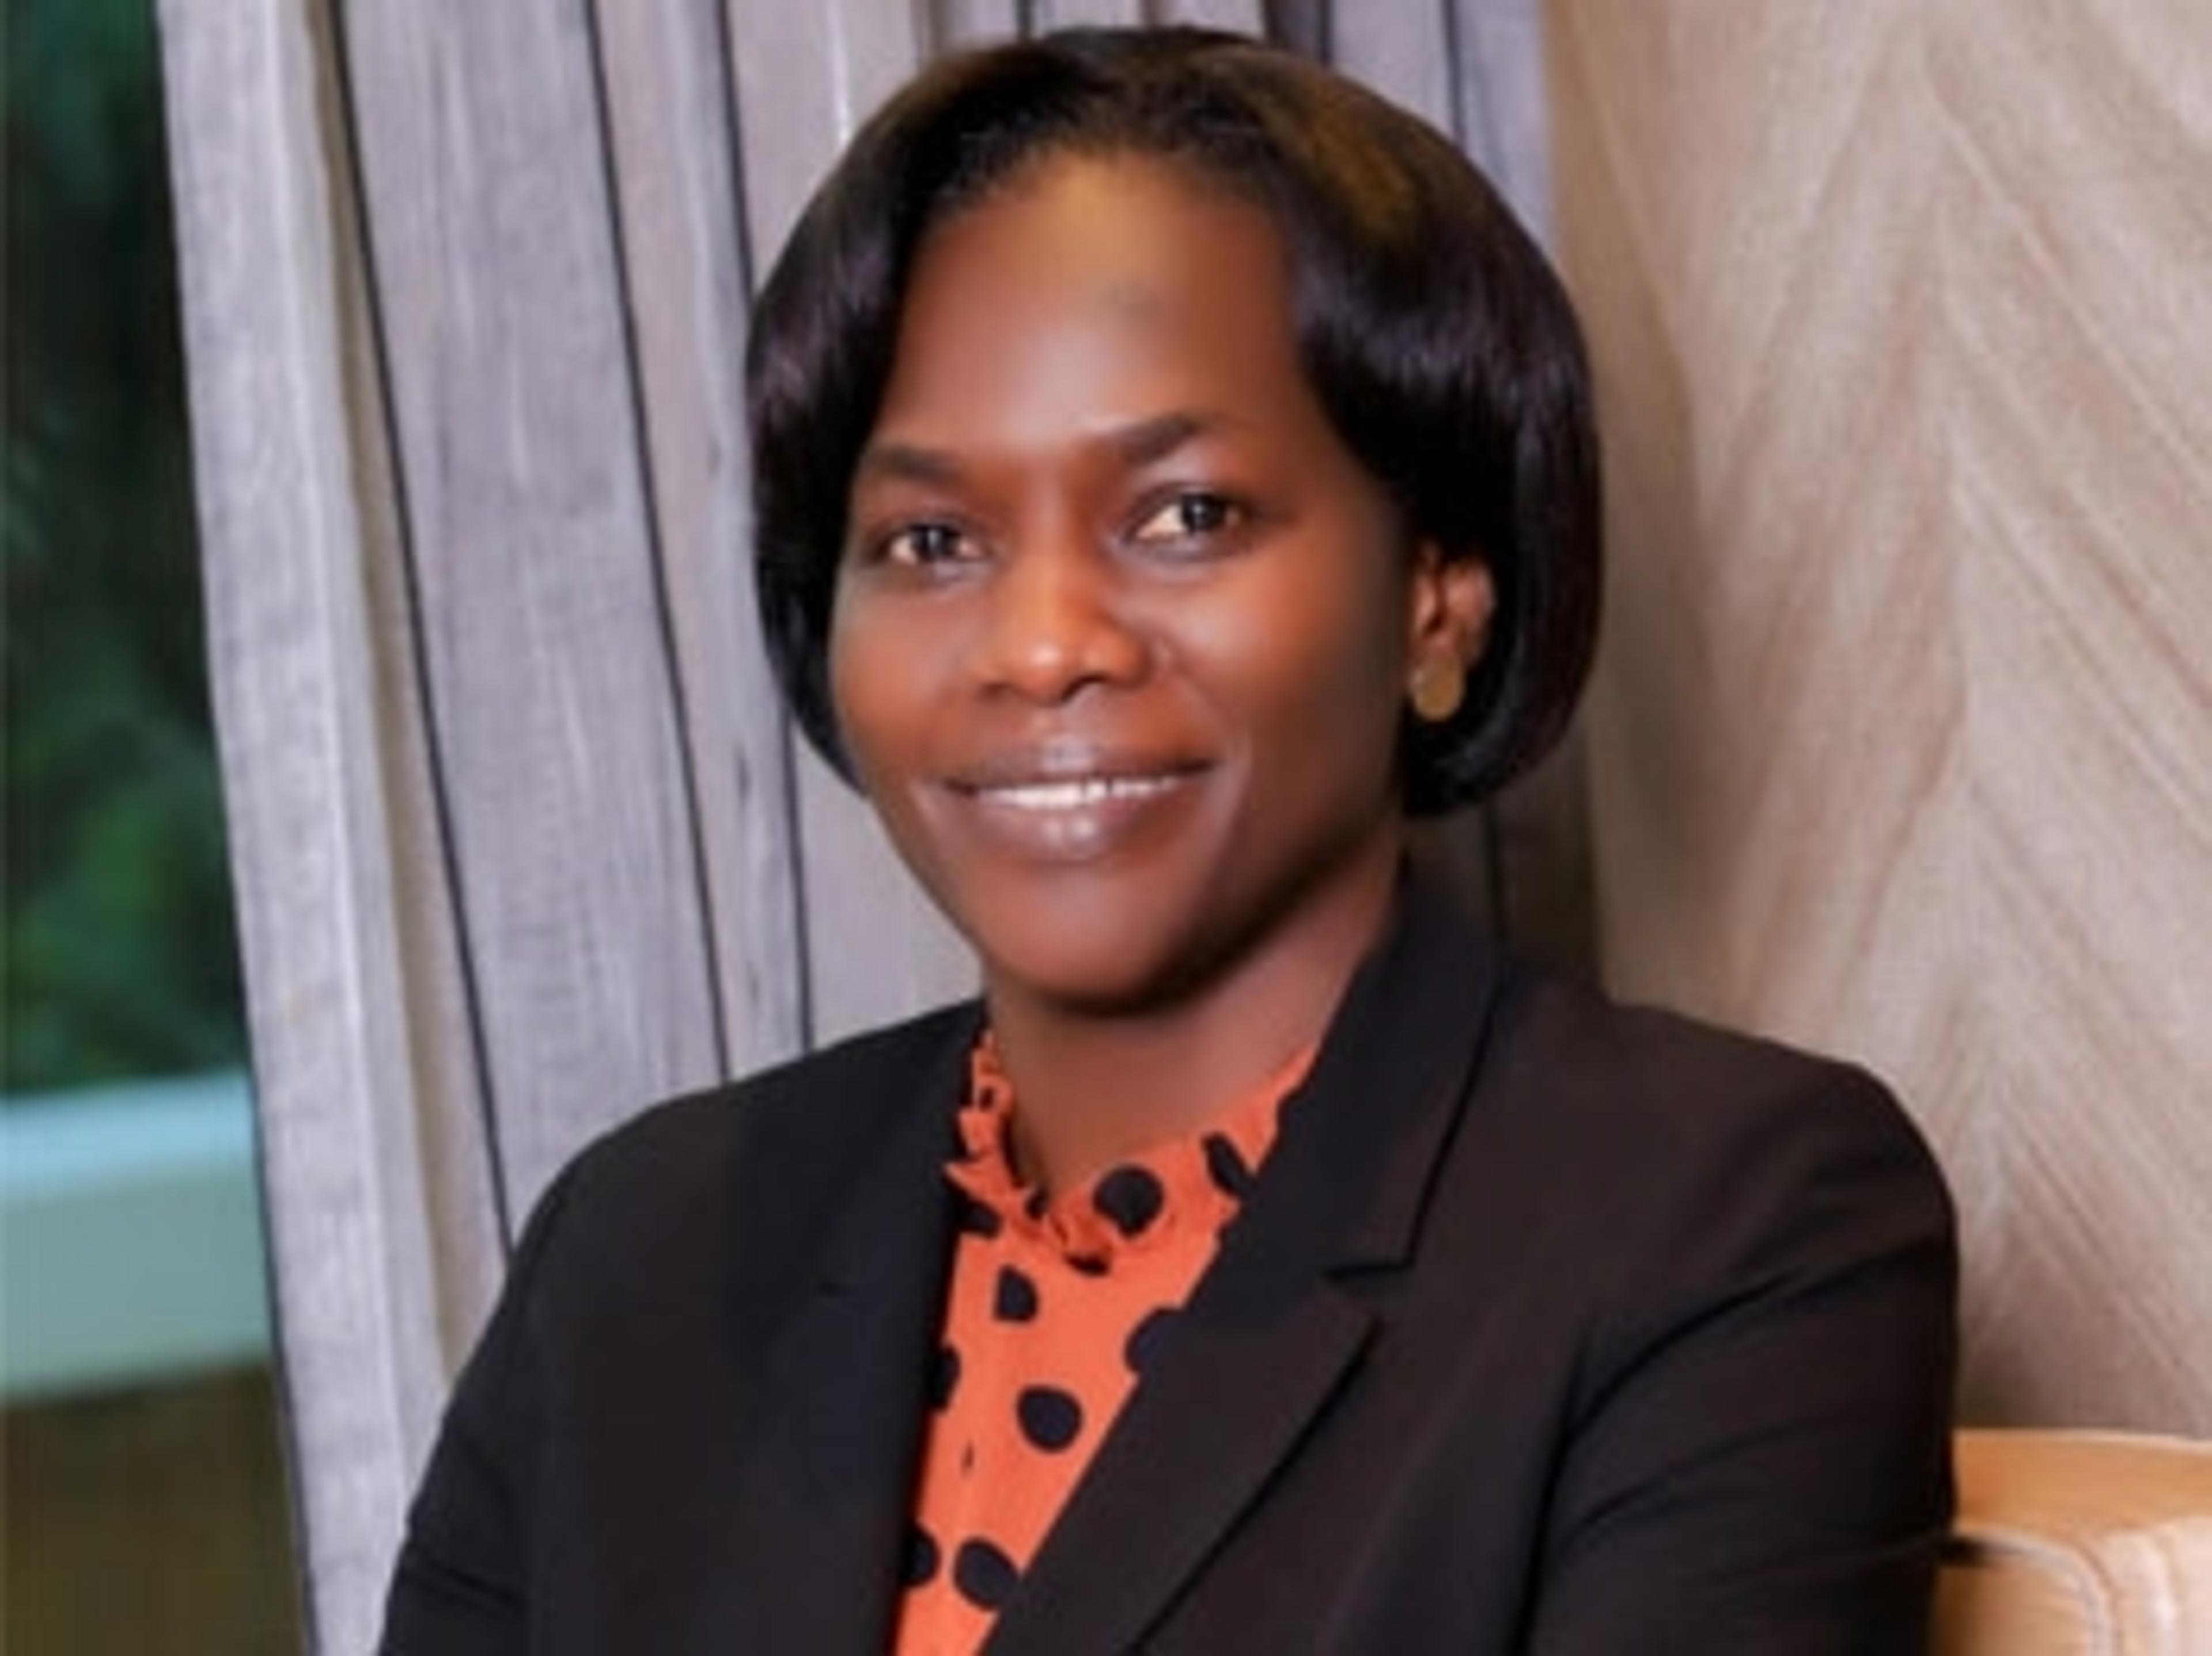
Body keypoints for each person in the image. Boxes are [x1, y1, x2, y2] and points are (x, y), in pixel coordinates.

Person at [381, 26, 1956, 1654]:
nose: (1041, 643)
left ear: (1438, 592)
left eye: (1186, 517)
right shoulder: (638, 1252)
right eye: (931, 540)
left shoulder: (1726, 1224)